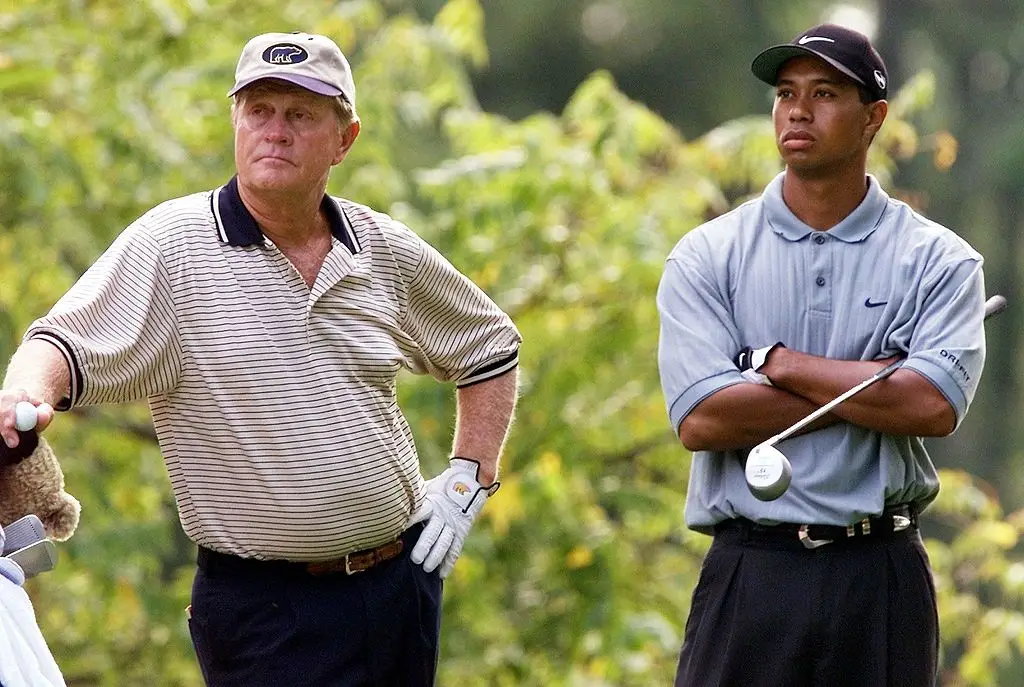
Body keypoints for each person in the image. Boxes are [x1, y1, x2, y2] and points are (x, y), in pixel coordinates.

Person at [0, 31, 521, 686]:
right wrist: (23, 395)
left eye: (300, 115)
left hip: (399, 587)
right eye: (259, 111)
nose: (275, 131)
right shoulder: (174, 245)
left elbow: (489, 347)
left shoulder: (381, 247)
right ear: (236, 122)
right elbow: (60, 345)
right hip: (267, 611)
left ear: (344, 138)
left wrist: (470, 479)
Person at [656, 24, 986, 687]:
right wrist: (878, 380)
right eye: (786, 93)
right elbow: (703, 420)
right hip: (750, 570)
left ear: (875, 119)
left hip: (880, 573)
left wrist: (782, 364)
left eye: (825, 93)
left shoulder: (940, 260)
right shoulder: (706, 254)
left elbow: (931, 404)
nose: (797, 111)